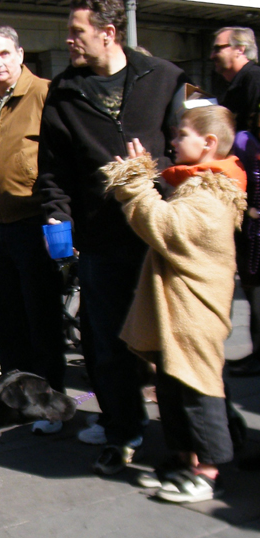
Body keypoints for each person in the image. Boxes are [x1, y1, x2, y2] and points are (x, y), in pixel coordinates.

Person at [38, 0, 187, 475]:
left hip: (159, 233)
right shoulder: (64, 91)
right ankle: (123, 431)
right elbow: (54, 168)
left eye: (77, 31)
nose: (69, 39)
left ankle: (185, 442)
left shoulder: (164, 78)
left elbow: (187, 151)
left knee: (171, 341)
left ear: (108, 32)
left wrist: (152, 174)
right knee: (106, 345)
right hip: (101, 238)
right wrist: (56, 216)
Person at [101, 105, 246, 502]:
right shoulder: (197, 185)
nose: (173, 142)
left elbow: (165, 227)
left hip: (196, 313)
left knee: (198, 390)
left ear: (209, 143)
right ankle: (183, 461)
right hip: (178, 311)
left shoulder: (212, 193)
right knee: (171, 387)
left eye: (182, 134)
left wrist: (134, 182)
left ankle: (209, 472)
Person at [0, 25, 66, 435]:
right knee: (5, 318)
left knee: (41, 320)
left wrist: (59, 215)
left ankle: (49, 405)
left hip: (35, 222)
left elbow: (61, 155)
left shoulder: (44, 93)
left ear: (20, 54)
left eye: (3, 54)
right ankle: (15, 402)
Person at [211, 27, 260, 377]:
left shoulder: (253, 81)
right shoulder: (237, 85)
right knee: (252, 275)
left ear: (240, 49)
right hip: (245, 192)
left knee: (256, 273)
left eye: (219, 48)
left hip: (255, 194)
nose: (213, 54)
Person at [212, 27, 260, 134]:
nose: (212, 56)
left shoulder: (254, 79)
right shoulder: (233, 84)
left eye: (217, 49)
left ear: (239, 50)